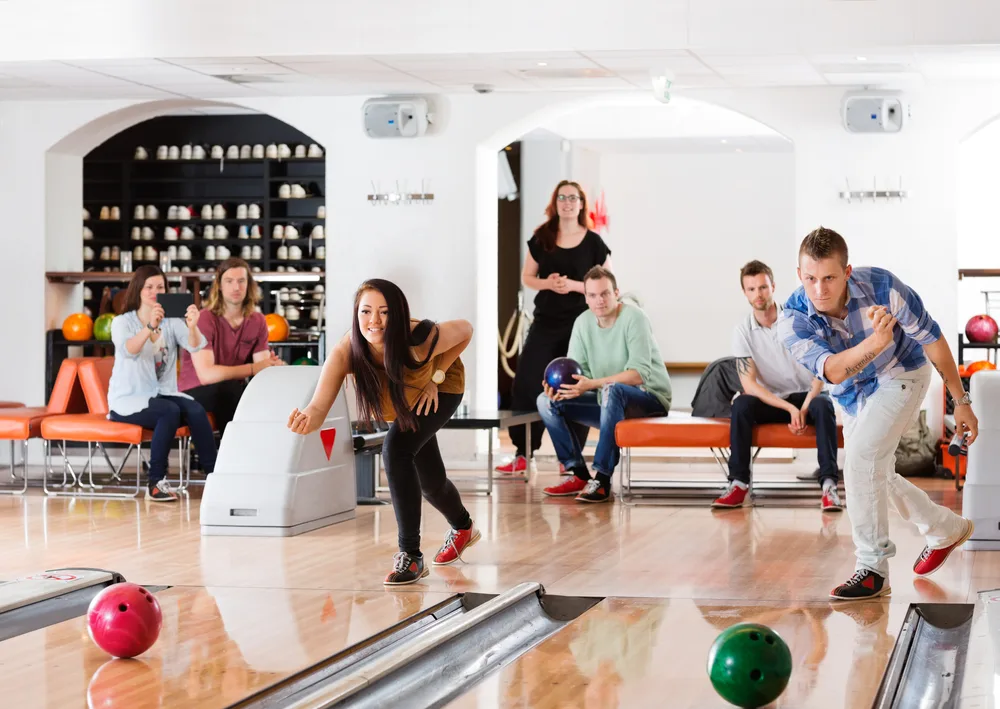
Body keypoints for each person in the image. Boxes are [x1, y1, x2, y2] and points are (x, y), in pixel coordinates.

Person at [778, 227, 978, 600]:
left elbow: (932, 340)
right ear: (799, 275)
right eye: (810, 278)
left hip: (901, 373)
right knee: (875, 474)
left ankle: (872, 569)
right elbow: (833, 371)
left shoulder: (883, 286)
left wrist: (961, 401)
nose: (819, 289)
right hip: (850, 393)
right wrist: (875, 341)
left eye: (829, 278)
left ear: (848, 272)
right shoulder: (792, 319)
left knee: (859, 461)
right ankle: (945, 528)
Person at [287, 279, 479, 585]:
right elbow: (318, 407)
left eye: (384, 312)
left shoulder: (418, 339)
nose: (374, 321)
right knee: (431, 482)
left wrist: (436, 376)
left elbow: (466, 330)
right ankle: (463, 526)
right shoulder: (346, 351)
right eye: (365, 311)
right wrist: (306, 419)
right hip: (405, 398)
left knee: (397, 450)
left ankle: (410, 555)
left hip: (440, 389)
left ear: (399, 315)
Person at [499, 180, 613, 476]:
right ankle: (523, 453)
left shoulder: (594, 242)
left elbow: (609, 284)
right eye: (562, 197)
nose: (567, 202)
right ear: (556, 202)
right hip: (545, 322)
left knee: (574, 388)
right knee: (526, 384)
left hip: (580, 325)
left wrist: (574, 286)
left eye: (572, 198)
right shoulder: (542, 237)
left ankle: (569, 457)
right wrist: (548, 283)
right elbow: (528, 277)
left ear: (580, 203)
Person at [712, 260, 842, 512]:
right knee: (741, 404)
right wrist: (789, 409)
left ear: (773, 286)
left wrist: (802, 408)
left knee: (823, 405)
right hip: (775, 401)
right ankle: (738, 483)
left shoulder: (797, 318)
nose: (758, 295)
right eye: (751, 289)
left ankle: (829, 486)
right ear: (744, 293)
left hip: (809, 396)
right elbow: (749, 384)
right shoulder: (742, 331)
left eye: (762, 287)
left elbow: (821, 367)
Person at [537, 266, 672, 502]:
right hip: (607, 399)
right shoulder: (582, 323)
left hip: (648, 398)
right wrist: (559, 388)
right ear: (586, 298)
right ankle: (578, 473)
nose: (599, 300)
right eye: (592, 295)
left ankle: (602, 478)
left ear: (616, 293)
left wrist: (593, 384)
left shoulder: (634, 317)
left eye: (605, 294)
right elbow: (579, 375)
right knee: (546, 401)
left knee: (613, 389)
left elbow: (639, 374)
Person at [108, 265, 218, 502]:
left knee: (196, 410)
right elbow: (129, 350)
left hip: (161, 394)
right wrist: (149, 326)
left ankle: (214, 477)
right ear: (138, 290)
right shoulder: (122, 322)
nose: (154, 291)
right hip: (128, 399)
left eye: (160, 287)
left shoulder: (170, 321)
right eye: (149, 287)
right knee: (169, 411)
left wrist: (192, 327)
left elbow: (195, 345)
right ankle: (156, 483)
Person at [179, 257, 284, 437]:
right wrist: (253, 368)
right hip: (191, 393)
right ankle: (231, 456)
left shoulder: (257, 320)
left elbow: (262, 368)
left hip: (229, 392)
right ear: (219, 285)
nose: (236, 287)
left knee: (263, 393)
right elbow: (207, 375)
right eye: (229, 281)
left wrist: (273, 368)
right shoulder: (205, 319)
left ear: (249, 285)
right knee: (229, 390)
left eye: (241, 281)